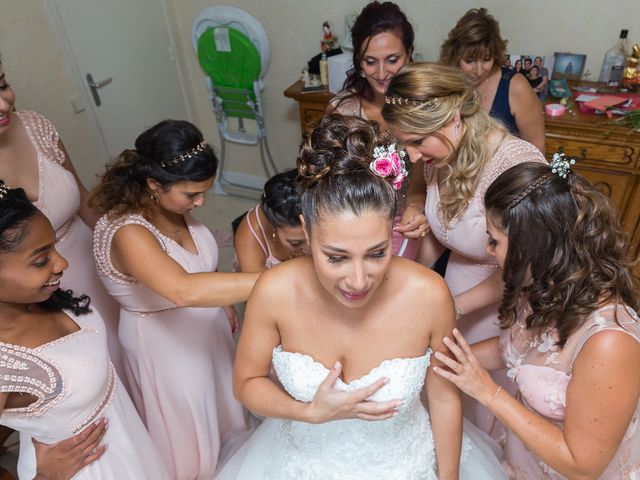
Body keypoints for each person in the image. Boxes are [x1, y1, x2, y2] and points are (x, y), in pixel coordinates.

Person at [216, 114, 507, 479]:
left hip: (404, 464)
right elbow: (246, 384)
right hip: (304, 462)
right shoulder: (274, 291)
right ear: (306, 232)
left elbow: (444, 397)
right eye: (336, 257)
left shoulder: (429, 295)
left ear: (393, 231)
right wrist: (310, 412)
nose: (358, 281)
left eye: (376, 253)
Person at [434, 159, 640, 479]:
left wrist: (488, 391)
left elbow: (584, 465)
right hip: (523, 462)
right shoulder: (544, 289)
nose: (489, 251)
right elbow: (516, 350)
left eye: (495, 241)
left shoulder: (609, 344)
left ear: (532, 248)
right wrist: (446, 361)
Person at [382, 62, 547, 436]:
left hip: (504, 301)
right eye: (404, 143)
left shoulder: (514, 165)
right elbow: (445, 230)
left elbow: (525, 268)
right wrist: (410, 284)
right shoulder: (440, 153)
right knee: (443, 392)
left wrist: (450, 307)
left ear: (453, 119)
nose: (410, 156)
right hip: (454, 285)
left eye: (416, 141)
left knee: (483, 401)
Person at [90, 120, 258, 479]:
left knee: (225, 416)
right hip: (166, 349)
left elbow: (200, 270)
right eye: (191, 194)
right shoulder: (129, 232)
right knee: (190, 440)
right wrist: (277, 280)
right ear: (153, 183)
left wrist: (222, 301)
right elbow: (182, 288)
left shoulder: (174, 209)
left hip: (207, 335)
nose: (201, 203)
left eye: (204, 192)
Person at [0, 182, 168, 479]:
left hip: (129, 444)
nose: (62, 263)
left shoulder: (38, 297)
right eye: (41, 260)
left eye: (55, 247)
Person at [0, 57, 124, 381]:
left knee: (127, 348)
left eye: (2, 85)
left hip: (90, 259)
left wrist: (125, 249)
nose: (3, 104)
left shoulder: (36, 126)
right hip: (31, 298)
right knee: (87, 376)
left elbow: (83, 198)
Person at [326, 1, 428, 260]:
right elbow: (327, 182)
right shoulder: (343, 111)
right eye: (370, 62)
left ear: (410, 53)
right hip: (358, 223)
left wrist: (415, 204)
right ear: (359, 62)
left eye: (392, 60)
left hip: (415, 216)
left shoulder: (425, 104)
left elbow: (428, 167)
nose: (382, 73)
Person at [440, 8, 545, 152]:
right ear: (455, 55)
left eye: (486, 59)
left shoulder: (516, 87)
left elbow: (537, 152)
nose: (478, 71)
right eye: (469, 60)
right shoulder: (443, 83)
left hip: (508, 174)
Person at [234, 169, 308, 272]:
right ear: (273, 226)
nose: (310, 248)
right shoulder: (250, 234)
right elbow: (258, 286)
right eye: (295, 243)